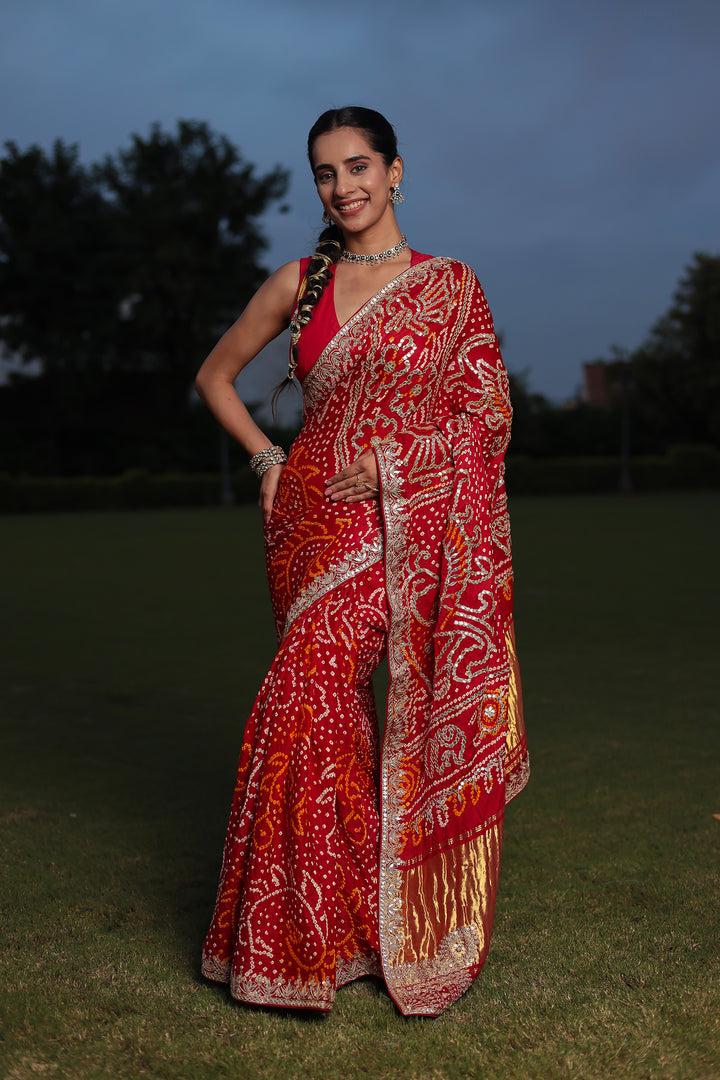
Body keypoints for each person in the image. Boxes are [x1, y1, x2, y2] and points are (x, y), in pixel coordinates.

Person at [195, 106, 529, 1018]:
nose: (343, 187)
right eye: (325, 173)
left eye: (358, 166)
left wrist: (391, 466)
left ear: (395, 171)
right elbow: (214, 377)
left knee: (301, 696)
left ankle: (301, 937)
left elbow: (487, 417)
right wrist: (267, 457)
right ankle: (334, 930)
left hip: (401, 526)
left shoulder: (450, 287)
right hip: (307, 524)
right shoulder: (298, 282)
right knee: (324, 709)